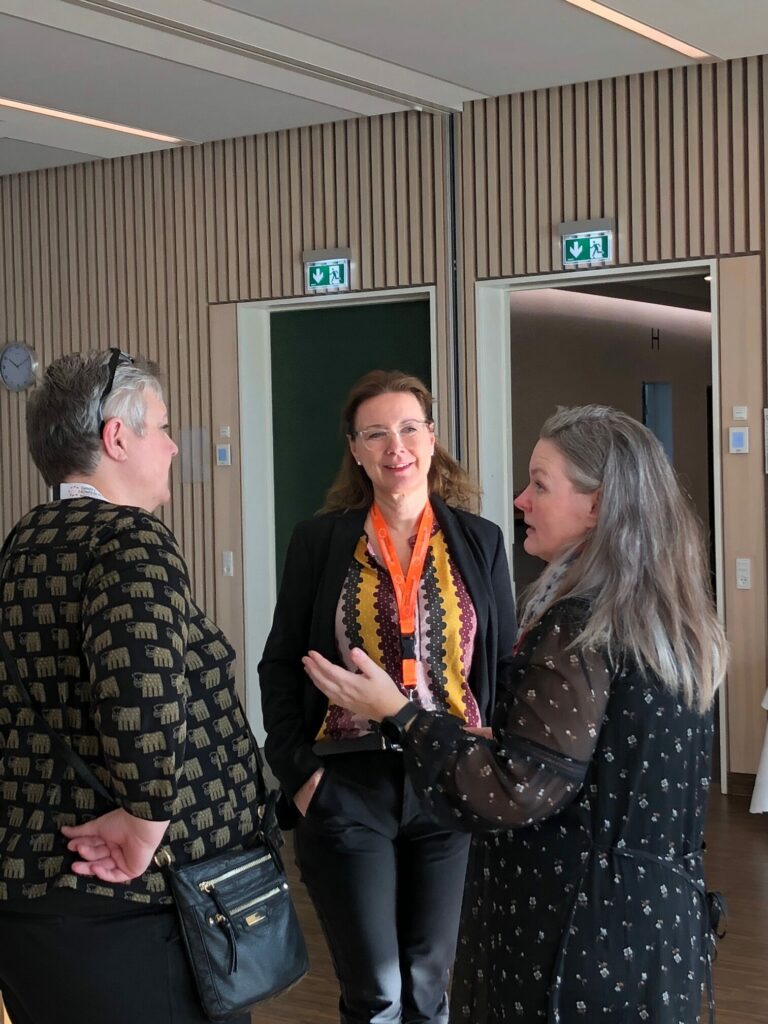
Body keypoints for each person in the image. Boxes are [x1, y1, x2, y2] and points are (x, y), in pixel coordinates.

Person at [303, 404, 727, 1024]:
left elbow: (515, 789)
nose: (521, 500)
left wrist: (398, 712)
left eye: (540, 485)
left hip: (579, 936)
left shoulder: (579, 623)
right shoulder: (672, 621)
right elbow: (605, 762)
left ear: (597, 506)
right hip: (654, 933)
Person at [0, 349, 265, 1024]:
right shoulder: (130, 539)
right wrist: (146, 822)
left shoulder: (21, 545)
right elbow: (141, 694)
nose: (174, 446)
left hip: (34, 902)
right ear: (116, 437)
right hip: (135, 912)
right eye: (163, 427)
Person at [258, 369, 516, 1024]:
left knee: (429, 986)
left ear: (431, 438)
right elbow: (280, 664)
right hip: (347, 784)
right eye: (375, 434)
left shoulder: (479, 541)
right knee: (376, 992)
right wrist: (301, 777)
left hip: (450, 779)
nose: (394, 447)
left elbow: (503, 667)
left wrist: (497, 770)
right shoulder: (319, 542)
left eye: (408, 428)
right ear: (355, 449)